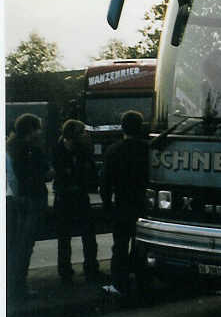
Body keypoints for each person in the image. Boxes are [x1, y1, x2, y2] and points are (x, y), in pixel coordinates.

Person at [101, 110, 149, 297]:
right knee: (140, 246)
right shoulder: (148, 149)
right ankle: (142, 281)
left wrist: (107, 204)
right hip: (142, 203)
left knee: (120, 245)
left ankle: (119, 284)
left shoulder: (114, 150)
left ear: (123, 127)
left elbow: (105, 182)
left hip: (122, 204)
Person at [6, 113, 52, 299]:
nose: (40, 132)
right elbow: (42, 174)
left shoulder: (12, 148)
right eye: (38, 128)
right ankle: (19, 286)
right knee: (25, 246)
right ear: (30, 130)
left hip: (18, 201)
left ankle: (13, 284)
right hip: (32, 200)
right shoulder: (31, 150)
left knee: (16, 246)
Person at [53, 119, 100, 283]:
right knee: (69, 238)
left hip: (74, 197)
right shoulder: (60, 151)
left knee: (83, 237)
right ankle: (68, 271)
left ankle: (86, 268)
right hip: (68, 198)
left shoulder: (77, 150)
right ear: (74, 135)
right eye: (83, 132)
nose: (86, 135)